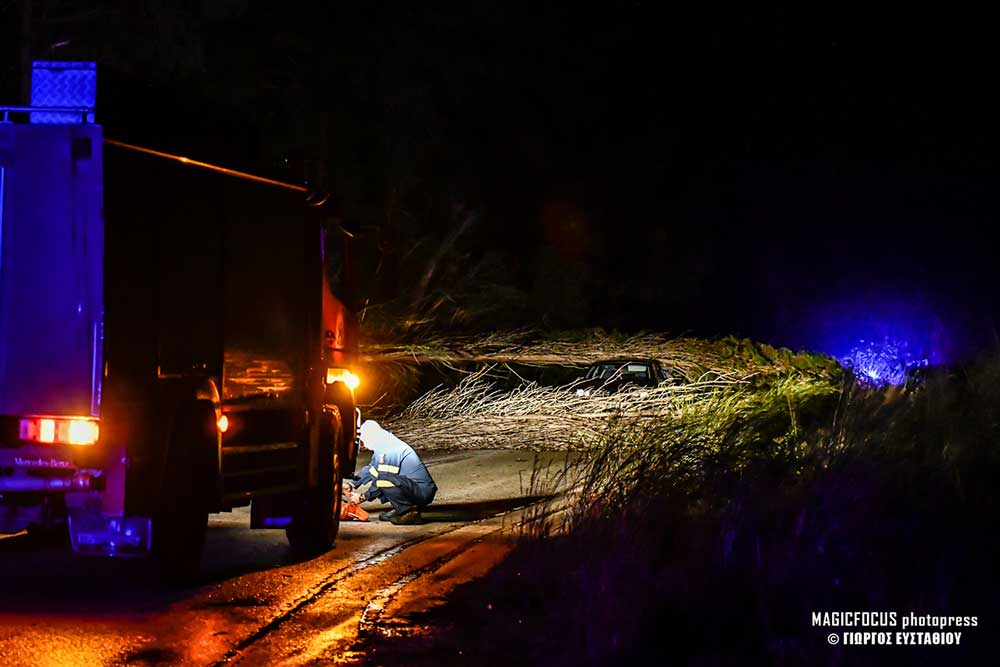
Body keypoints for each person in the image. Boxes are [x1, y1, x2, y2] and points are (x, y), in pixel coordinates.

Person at [345, 419, 437, 525]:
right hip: (413, 487)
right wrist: (351, 484)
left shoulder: (389, 448)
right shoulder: (384, 444)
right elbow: (372, 469)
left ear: (372, 437)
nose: (364, 445)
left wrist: (362, 497)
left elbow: (382, 479)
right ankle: (401, 509)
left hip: (421, 492)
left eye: (364, 441)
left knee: (383, 480)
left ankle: (408, 512)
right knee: (383, 478)